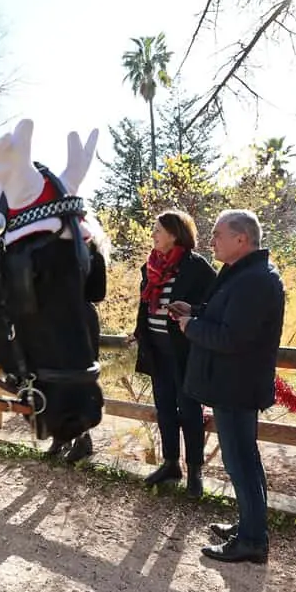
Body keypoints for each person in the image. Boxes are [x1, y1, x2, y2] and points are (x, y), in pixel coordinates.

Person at [173, 210, 284, 564]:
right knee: (243, 461)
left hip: (237, 386)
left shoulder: (254, 280)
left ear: (242, 239)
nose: (212, 241)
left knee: (241, 463)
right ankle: (249, 527)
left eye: (219, 234)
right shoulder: (242, 274)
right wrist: (194, 310)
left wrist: (190, 326)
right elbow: (225, 317)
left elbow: (232, 337)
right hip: (232, 384)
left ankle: (252, 539)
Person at [130, 210, 217, 497]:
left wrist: (191, 312)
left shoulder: (196, 267)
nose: (153, 234)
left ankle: (194, 471)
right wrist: (138, 331)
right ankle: (170, 464)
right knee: (165, 409)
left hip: (185, 353)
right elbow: (145, 306)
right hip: (156, 351)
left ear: (174, 233)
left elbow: (214, 307)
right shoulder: (151, 266)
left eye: (157, 229)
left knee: (190, 411)